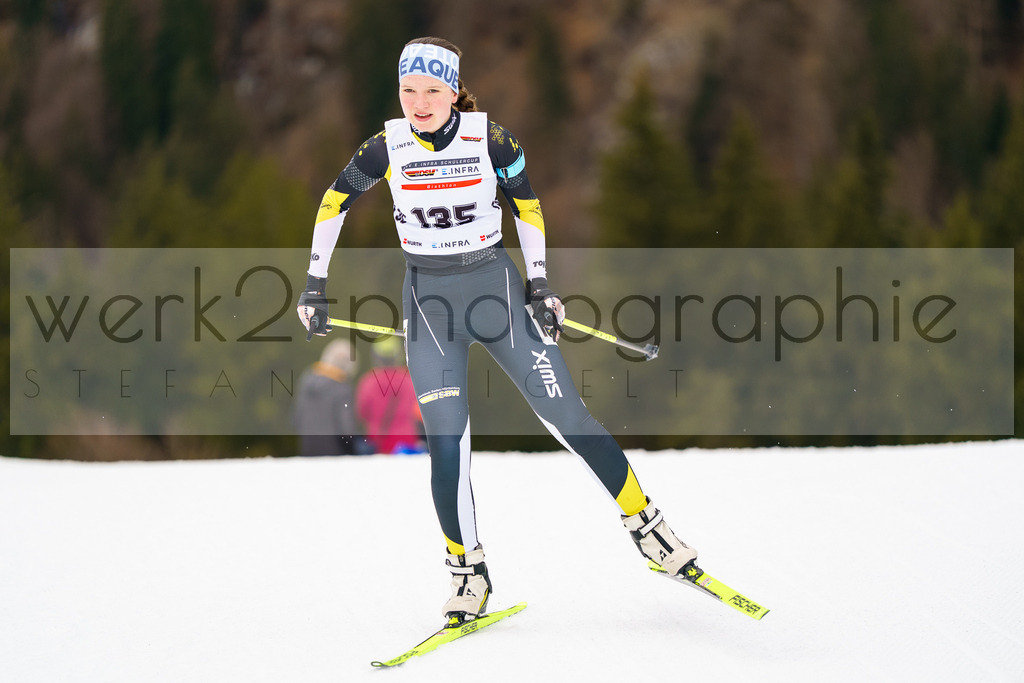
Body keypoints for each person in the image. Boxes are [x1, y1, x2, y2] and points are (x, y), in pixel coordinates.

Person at [296, 37, 697, 621]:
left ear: (453, 91)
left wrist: (540, 285)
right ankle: (468, 573)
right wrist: (314, 283)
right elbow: (333, 203)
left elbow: (527, 207)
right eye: (408, 90)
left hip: (495, 293)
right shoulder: (387, 145)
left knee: (567, 416)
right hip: (429, 305)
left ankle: (650, 529)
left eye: (432, 90)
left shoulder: (492, 140)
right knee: (446, 443)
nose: (419, 103)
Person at [292, 339, 367, 456]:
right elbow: (346, 429)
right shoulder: (342, 389)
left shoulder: (307, 380)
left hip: (307, 449)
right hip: (334, 453)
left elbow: (296, 418)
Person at [355, 335, 426, 455]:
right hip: (406, 443)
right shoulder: (410, 381)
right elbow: (419, 413)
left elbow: (361, 414)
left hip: (378, 444)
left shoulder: (368, 382)